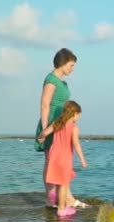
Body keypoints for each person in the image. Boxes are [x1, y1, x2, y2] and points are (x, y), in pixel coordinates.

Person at [35, 48, 90, 209]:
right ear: (63, 63)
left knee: (61, 163)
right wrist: (44, 129)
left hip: (61, 124)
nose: (73, 69)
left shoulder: (62, 82)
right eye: (71, 65)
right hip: (51, 123)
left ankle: (64, 198)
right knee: (51, 161)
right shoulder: (51, 80)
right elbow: (45, 104)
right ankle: (53, 198)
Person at [37, 100, 88, 216]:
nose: (78, 118)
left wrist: (40, 138)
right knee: (63, 183)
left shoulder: (57, 123)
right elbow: (76, 144)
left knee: (56, 180)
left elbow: (45, 132)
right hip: (64, 157)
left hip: (53, 155)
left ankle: (54, 199)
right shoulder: (74, 128)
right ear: (74, 113)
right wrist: (82, 159)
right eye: (79, 115)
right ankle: (61, 209)